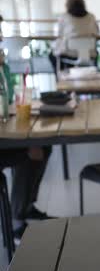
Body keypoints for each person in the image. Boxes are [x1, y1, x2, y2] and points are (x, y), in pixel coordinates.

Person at [0, 55, 53, 240]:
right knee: (28, 151)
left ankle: (27, 206)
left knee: (44, 146)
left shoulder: (3, 67)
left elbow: (5, 99)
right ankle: (16, 221)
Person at [49, 0, 99, 70]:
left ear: (67, 4)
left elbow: (60, 36)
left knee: (53, 55)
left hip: (70, 53)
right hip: (90, 53)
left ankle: (61, 77)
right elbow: (96, 34)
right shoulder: (91, 17)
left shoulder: (64, 17)